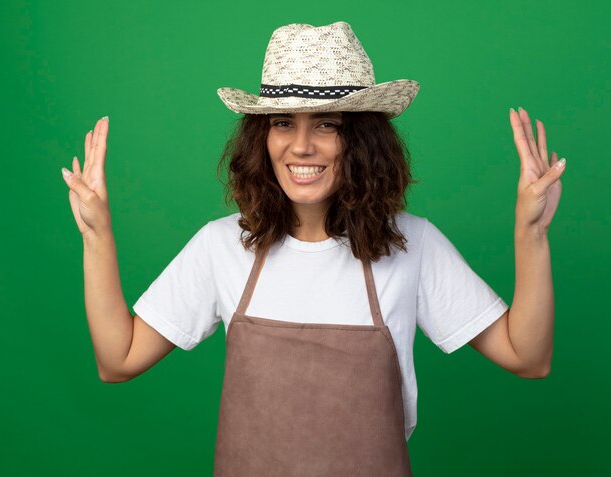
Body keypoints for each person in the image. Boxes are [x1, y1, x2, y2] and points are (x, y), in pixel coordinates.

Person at [61, 21, 564, 477]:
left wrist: (531, 234)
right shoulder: (221, 246)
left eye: (327, 124)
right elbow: (118, 359)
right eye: (283, 123)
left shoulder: (413, 246)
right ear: (261, 137)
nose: (301, 146)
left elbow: (528, 356)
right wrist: (97, 235)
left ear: (363, 141)